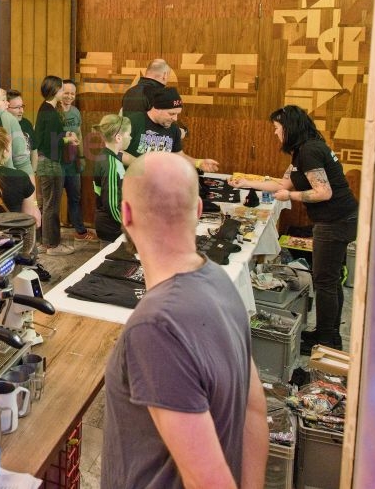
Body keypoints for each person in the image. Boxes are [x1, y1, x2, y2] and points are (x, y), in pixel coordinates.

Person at [102, 153, 267, 488]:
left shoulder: (155, 328)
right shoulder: (219, 280)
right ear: (199, 210)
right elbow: (254, 412)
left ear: (126, 214)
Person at [230, 105, 359, 353]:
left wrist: (291, 196)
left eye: (277, 128)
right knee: (330, 280)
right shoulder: (303, 151)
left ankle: (326, 340)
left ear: (289, 128)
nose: (276, 133)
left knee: (325, 281)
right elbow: (283, 182)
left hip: (336, 221)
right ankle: (328, 334)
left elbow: (323, 192)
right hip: (339, 219)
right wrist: (247, 182)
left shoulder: (309, 151)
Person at [123, 87, 220, 173]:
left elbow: (179, 155)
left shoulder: (173, 128)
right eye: (171, 114)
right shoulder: (132, 122)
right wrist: (141, 165)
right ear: (157, 108)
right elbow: (116, 151)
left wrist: (199, 163)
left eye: (177, 114)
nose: (175, 118)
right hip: (131, 182)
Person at [32, 75, 75, 255]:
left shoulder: (44, 108)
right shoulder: (50, 112)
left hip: (44, 162)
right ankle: (53, 245)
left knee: (45, 205)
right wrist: (68, 139)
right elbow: (51, 142)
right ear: (55, 89)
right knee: (52, 206)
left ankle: (43, 243)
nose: (63, 91)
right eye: (61, 88)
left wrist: (63, 135)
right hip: (50, 163)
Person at [58, 79, 96, 243]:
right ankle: (49, 235)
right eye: (66, 92)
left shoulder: (75, 112)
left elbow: (79, 134)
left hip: (73, 161)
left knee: (75, 197)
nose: (69, 96)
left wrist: (81, 157)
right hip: (57, 161)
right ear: (59, 92)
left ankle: (80, 231)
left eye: (72, 93)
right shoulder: (53, 112)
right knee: (53, 200)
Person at [91, 114, 132, 243]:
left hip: (106, 224)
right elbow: (112, 206)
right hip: (112, 228)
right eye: (129, 134)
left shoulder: (104, 156)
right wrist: (130, 225)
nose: (130, 137)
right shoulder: (112, 165)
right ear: (118, 138)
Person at [5, 90, 37, 171]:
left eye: (22, 106)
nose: (21, 111)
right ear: (6, 107)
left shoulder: (26, 123)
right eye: (17, 107)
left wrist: (33, 172)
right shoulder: (1, 126)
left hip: (26, 173)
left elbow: (34, 150)